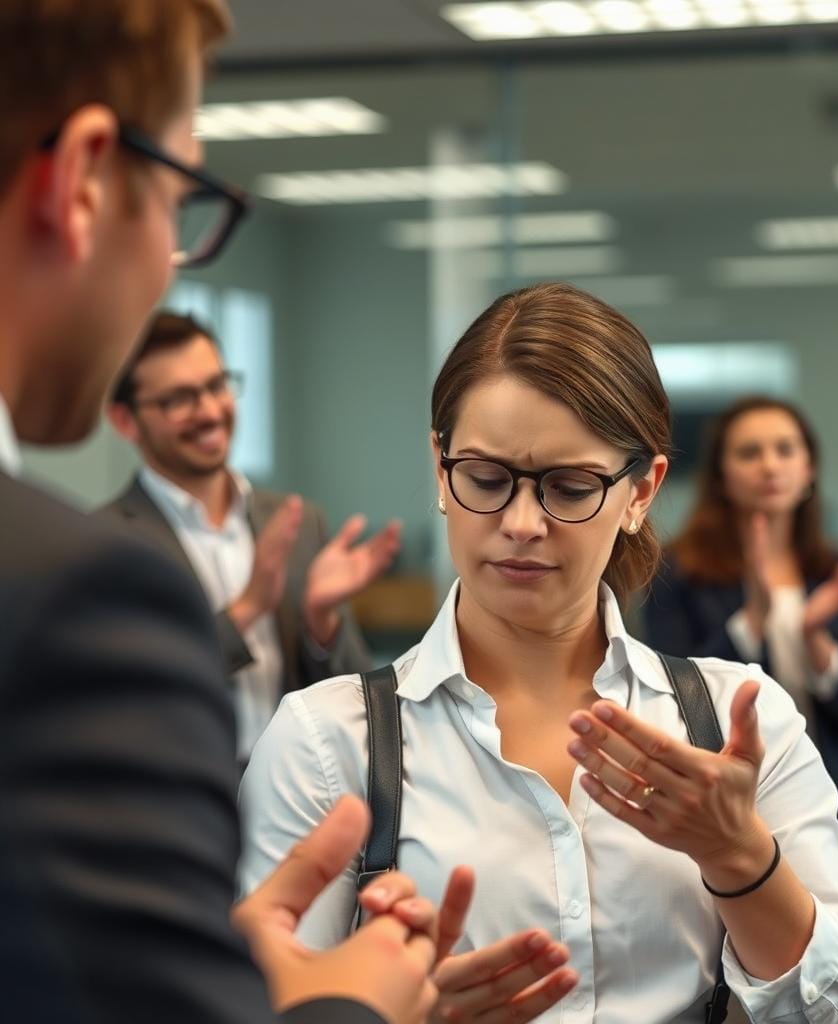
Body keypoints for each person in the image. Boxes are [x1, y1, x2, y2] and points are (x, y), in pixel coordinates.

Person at [240, 283, 838, 1023]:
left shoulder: (733, 727)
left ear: (641, 493)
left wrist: (742, 860)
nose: (522, 523)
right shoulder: (328, 742)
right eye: (486, 479)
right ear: (440, 469)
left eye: (569, 488)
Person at [0, 2, 454, 1021]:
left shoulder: (284, 519)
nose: (171, 251)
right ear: (82, 182)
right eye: (178, 198)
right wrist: (354, 1002)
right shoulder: (78, 587)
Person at [104, 310, 399, 762]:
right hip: (183, 791)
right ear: (125, 420)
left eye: (217, 385)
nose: (210, 411)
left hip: (302, 788)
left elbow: (356, 691)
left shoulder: (298, 523)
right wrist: (245, 610)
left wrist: (321, 622)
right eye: (179, 399)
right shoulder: (103, 544)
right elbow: (131, 695)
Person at [645, 396, 838, 871]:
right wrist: (752, 619)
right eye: (750, 452)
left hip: (830, 809)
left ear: (809, 469)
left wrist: (815, 639)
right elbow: (670, 706)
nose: (770, 466)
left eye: (784, 449)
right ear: (721, 475)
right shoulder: (676, 573)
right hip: (723, 813)